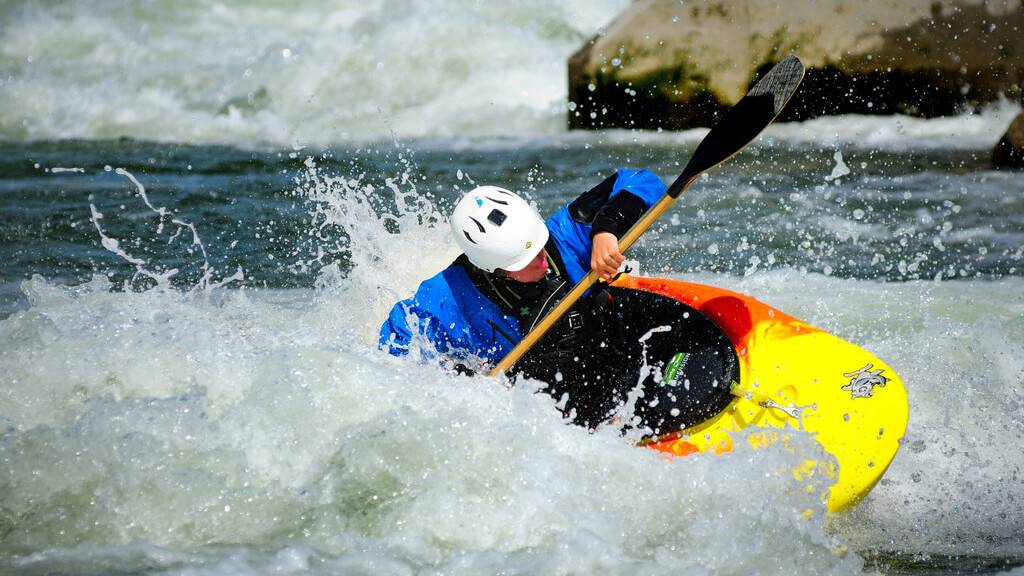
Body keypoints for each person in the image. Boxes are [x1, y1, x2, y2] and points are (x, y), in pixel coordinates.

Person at [379, 169, 737, 436]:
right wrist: (456, 379)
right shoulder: (448, 300)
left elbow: (642, 180)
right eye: (526, 262)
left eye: (538, 247)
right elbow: (392, 350)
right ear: (493, 270)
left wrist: (606, 230)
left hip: (612, 350)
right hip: (556, 399)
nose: (542, 262)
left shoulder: (563, 234)